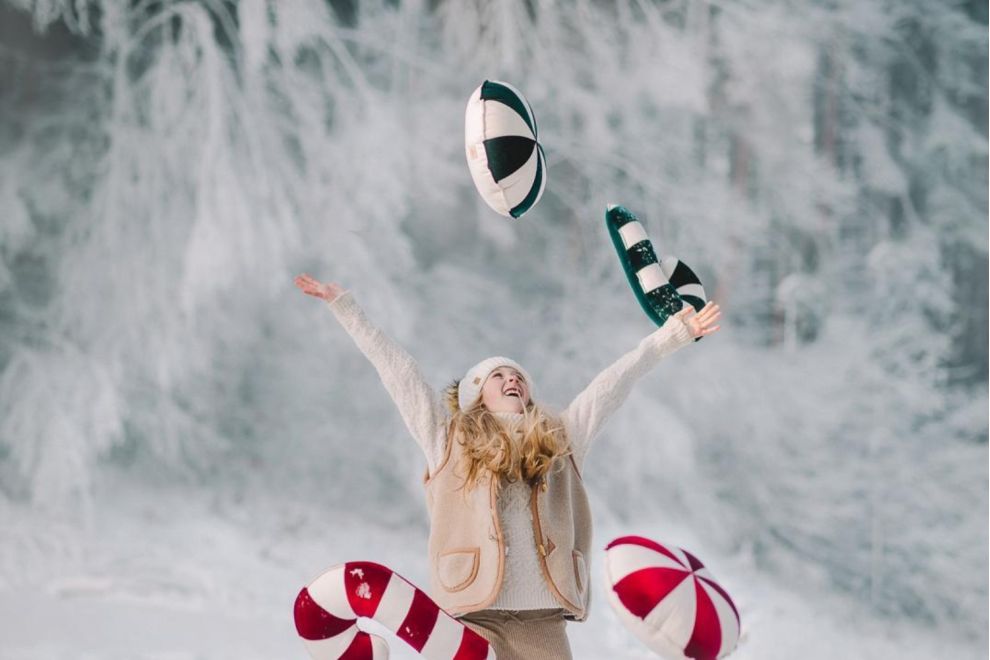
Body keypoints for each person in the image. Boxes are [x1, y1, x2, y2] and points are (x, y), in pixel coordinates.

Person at [293, 273, 720, 660]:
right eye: (498, 376)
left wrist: (671, 336)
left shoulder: (561, 439)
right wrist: (346, 308)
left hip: (544, 621)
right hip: (472, 610)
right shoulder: (447, 439)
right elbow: (399, 374)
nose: (512, 380)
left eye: (518, 376)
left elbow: (612, 386)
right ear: (477, 395)